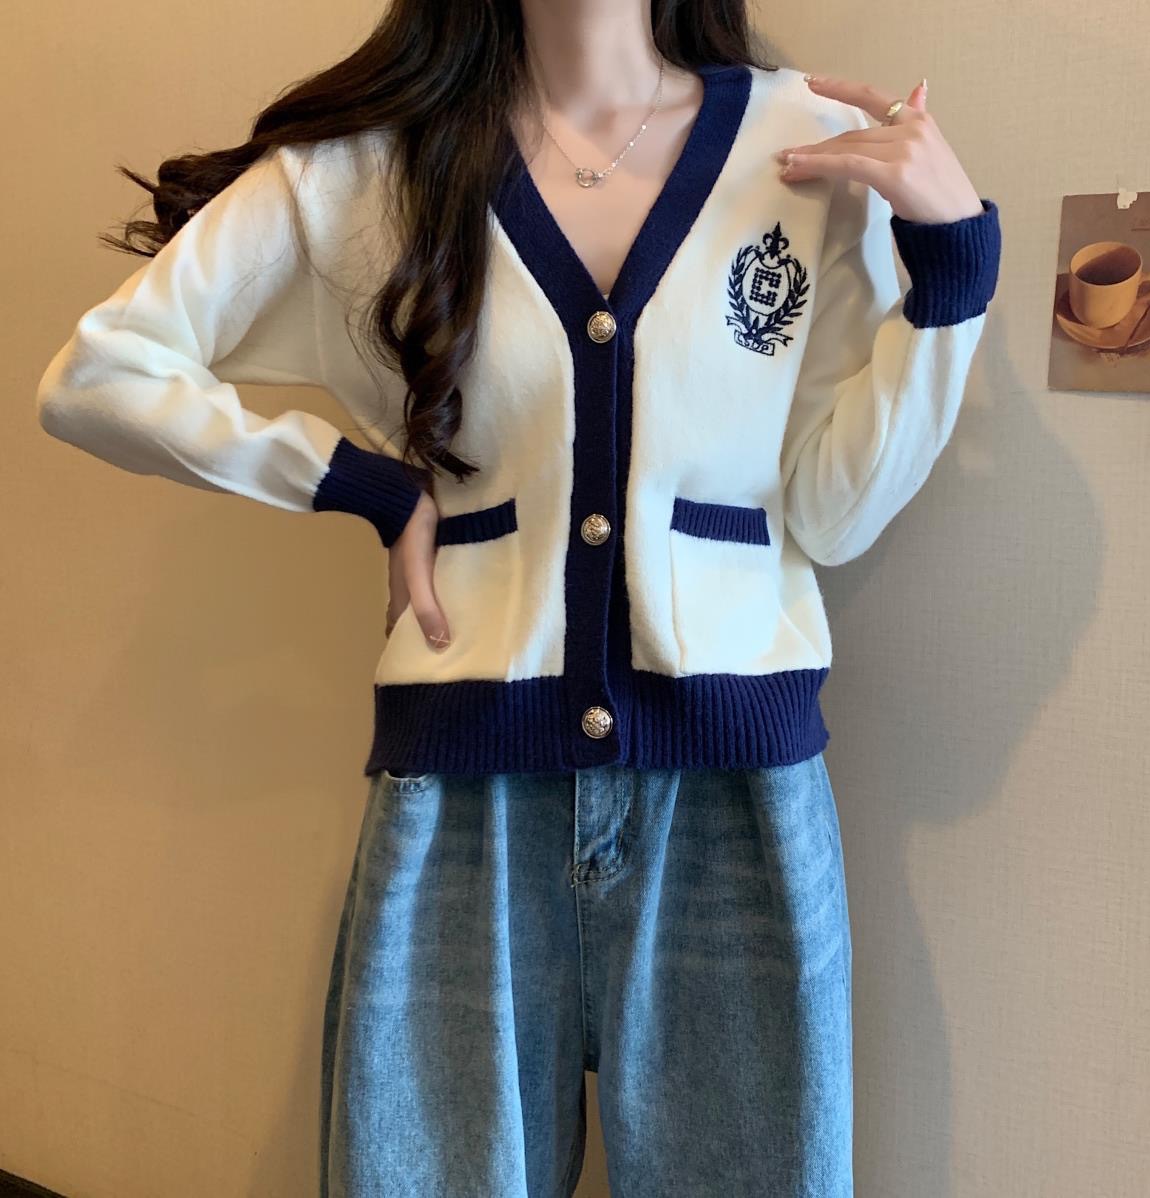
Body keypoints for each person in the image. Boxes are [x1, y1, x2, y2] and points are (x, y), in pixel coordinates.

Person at [34, 0, 1001, 1190]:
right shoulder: (371, 168)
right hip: (461, 800)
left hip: (733, 804)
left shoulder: (801, 147)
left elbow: (829, 514)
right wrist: (361, 483)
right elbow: (99, 376)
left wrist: (949, 276)